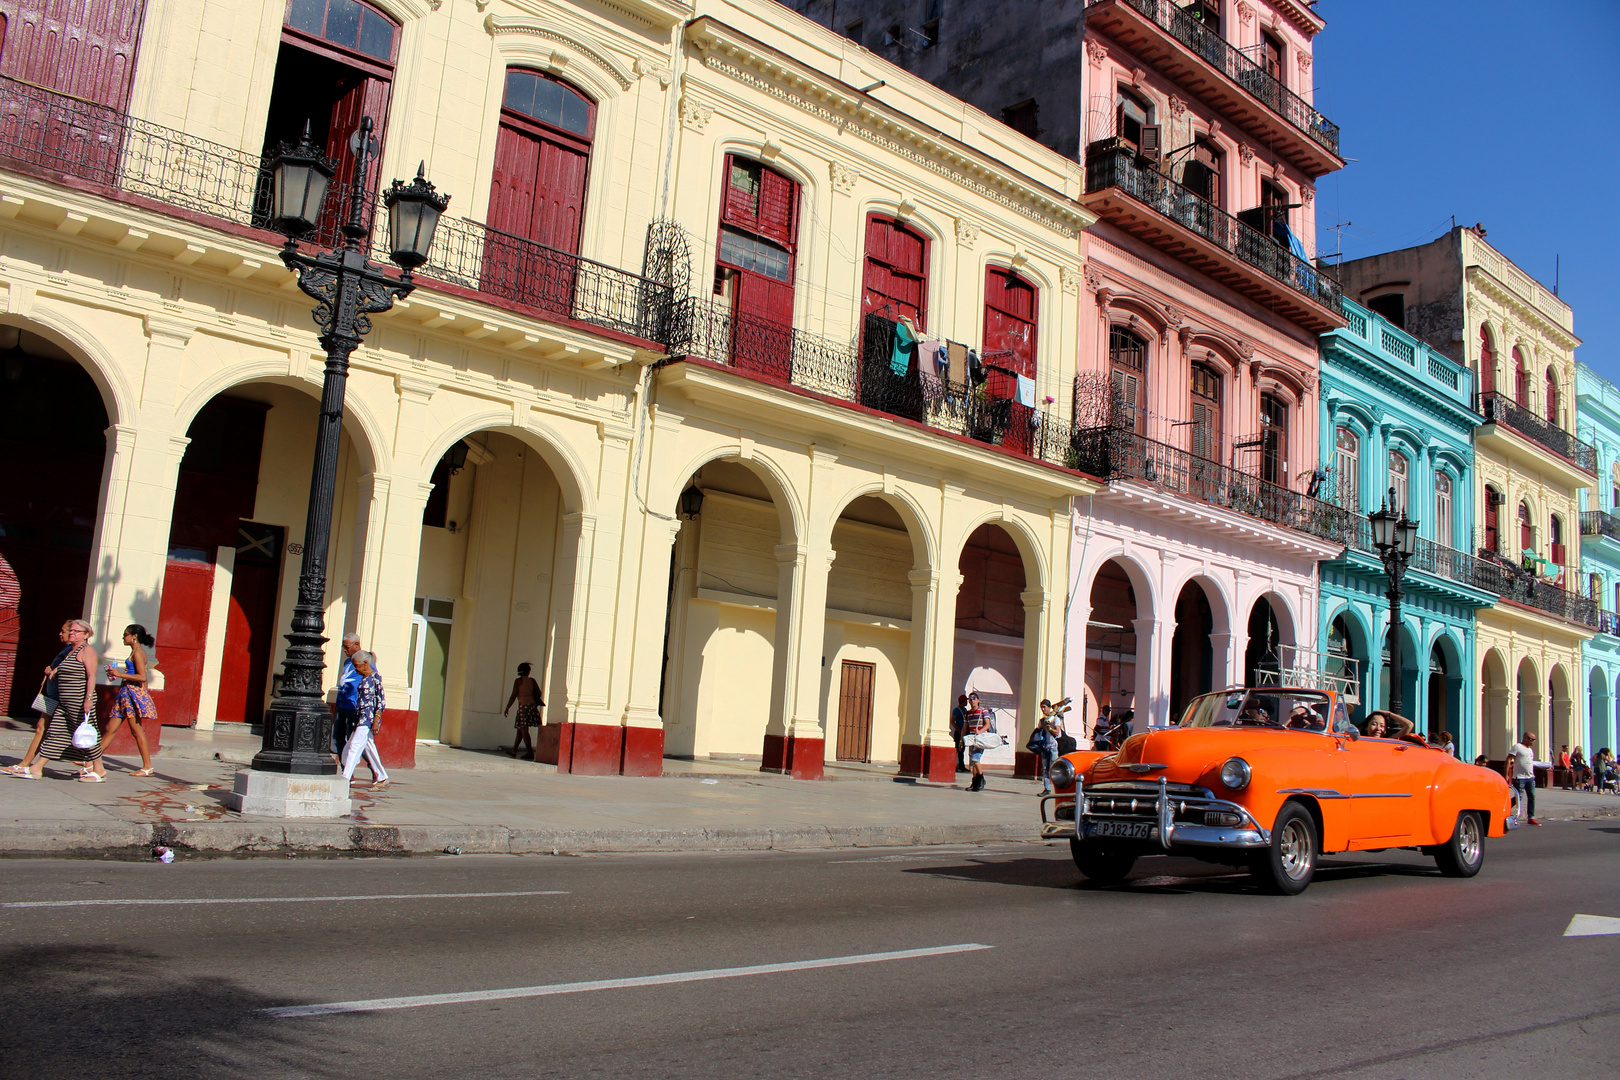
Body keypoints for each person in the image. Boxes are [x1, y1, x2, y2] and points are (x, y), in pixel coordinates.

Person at [8, 620, 104, 781]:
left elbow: (91, 675)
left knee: (87, 733)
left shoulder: (87, 650)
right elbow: (67, 666)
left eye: (76, 631)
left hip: (79, 700)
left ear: (86, 634)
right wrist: (55, 671)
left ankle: (99, 769)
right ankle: (36, 768)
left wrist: (88, 699)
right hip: (65, 701)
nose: (72, 633)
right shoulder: (71, 650)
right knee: (55, 732)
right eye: (71, 630)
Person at [3, 622, 71, 777]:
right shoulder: (68, 649)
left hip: (61, 697)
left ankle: (26, 763)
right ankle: (25, 763)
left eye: (63, 631)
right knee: (43, 727)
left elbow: (69, 670)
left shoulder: (74, 650)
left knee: (49, 729)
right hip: (53, 695)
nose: (60, 634)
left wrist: (51, 671)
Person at [101, 623, 157, 776]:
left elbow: (142, 676)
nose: (123, 637)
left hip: (130, 694)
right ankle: (92, 760)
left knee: (136, 730)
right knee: (110, 729)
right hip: (124, 693)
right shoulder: (135, 652)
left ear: (134, 636)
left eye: (125, 634)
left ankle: (147, 766)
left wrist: (120, 674)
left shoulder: (138, 653)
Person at [340, 650, 389, 790]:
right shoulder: (363, 679)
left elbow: (381, 701)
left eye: (357, 665)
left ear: (366, 663)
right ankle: (381, 776)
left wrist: (376, 720)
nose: (355, 668)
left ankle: (345, 778)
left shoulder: (375, 678)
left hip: (367, 719)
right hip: (360, 718)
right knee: (367, 747)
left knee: (354, 747)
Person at [331, 633, 367, 764]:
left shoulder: (365, 660)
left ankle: (376, 771)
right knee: (338, 738)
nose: (344, 650)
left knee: (354, 741)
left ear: (357, 645)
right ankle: (346, 770)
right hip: (342, 705)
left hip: (354, 707)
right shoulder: (347, 662)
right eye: (343, 647)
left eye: (347, 647)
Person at [503, 662, 544, 758]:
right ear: (528, 672)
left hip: (523, 708)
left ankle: (530, 752)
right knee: (520, 730)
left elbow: (513, 696)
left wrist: (507, 707)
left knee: (524, 731)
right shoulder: (532, 681)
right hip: (532, 707)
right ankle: (514, 750)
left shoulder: (518, 681)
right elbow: (539, 693)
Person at [1507, 731, 1540, 826]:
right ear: (1525, 738)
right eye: (1532, 739)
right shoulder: (1517, 747)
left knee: (1532, 796)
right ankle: (1505, 808)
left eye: (1534, 740)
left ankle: (1531, 817)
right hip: (1519, 777)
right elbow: (1509, 759)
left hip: (1530, 777)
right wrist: (1507, 774)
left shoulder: (1529, 750)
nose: (1534, 741)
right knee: (1519, 797)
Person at [1028, 700, 1059, 795]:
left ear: (1049, 707)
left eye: (1044, 707)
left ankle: (1059, 787)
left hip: (1053, 747)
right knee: (1045, 769)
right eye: (1041, 707)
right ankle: (1047, 788)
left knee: (1054, 768)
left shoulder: (1055, 719)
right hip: (1045, 747)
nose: (1043, 709)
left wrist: (1048, 727)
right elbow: (1038, 730)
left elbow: (1057, 732)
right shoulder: (1042, 720)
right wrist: (1042, 726)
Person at [963, 692, 989, 792]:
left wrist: (980, 731)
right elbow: (965, 727)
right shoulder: (968, 713)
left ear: (978, 700)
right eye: (970, 699)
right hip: (971, 740)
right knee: (972, 763)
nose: (972, 700)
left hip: (981, 739)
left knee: (975, 758)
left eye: (974, 698)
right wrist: (961, 740)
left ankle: (981, 778)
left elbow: (987, 725)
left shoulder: (983, 711)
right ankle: (974, 783)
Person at [950, 694, 969, 773]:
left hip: (964, 733)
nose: (967, 702)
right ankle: (954, 765)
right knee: (957, 749)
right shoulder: (956, 710)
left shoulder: (965, 710)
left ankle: (961, 765)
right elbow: (952, 721)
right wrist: (958, 730)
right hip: (958, 733)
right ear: (962, 701)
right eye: (965, 701)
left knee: (962, 750)